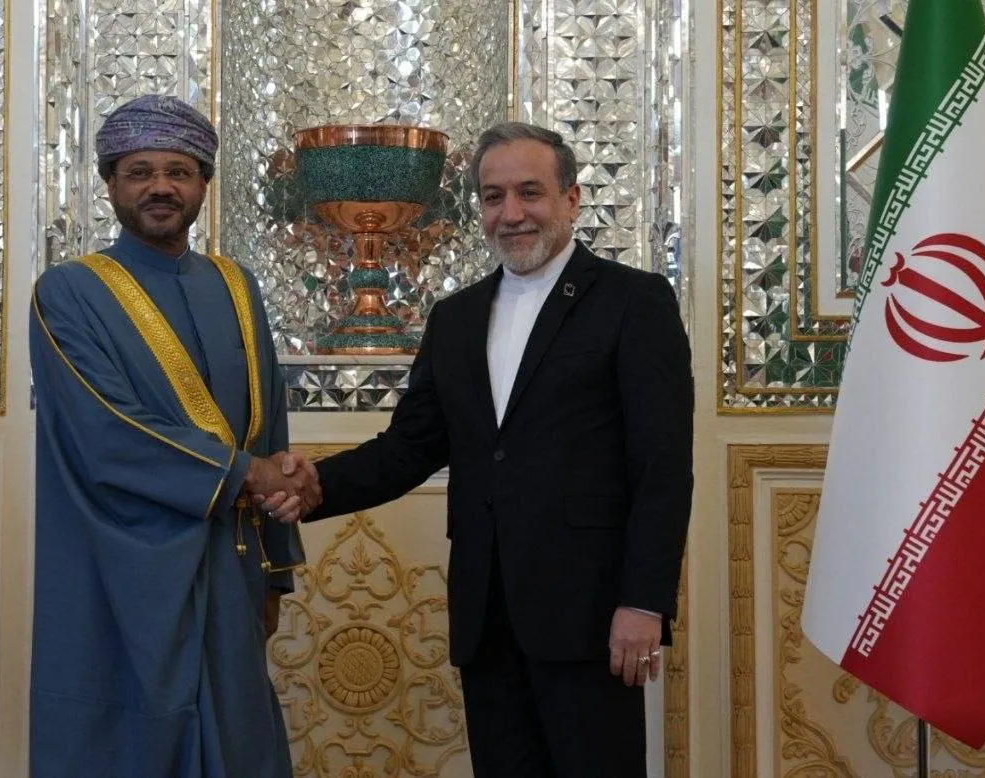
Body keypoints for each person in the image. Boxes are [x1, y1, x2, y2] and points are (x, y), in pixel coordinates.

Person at [264, 121, 693, 776]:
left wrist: (644, 601)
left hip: (590, 615)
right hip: (486, 618)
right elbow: (409, 448)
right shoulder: (456, 318)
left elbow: (662, 467)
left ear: (571, 199)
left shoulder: (634, 301)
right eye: (494, 197)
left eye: (530, 192)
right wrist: (310, 485)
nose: (511, 213)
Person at [28, 94, 318, 778]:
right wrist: (248, 474)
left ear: (202, 185)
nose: (160, 186)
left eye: (179, 172)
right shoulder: (68, 292)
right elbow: (108, 433)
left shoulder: (236, 285)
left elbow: (268, 425)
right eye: (140, 172)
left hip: (232, 566)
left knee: (238, 749)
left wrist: (275, 569)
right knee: (129, 746)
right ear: (110, 184)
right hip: (120, 570)